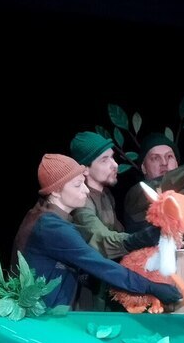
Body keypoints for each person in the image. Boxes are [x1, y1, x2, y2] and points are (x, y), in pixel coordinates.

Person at [11, 153, 182, 309]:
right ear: (55, 191)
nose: (86, 190)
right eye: (78, 185)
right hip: (41, 319)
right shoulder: (51, 227)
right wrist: (150, 287)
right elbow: (99, 265)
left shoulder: (42, 215)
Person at [68, 131, 161, 310]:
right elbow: (99, 238)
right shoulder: (81, 202)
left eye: (112, 157)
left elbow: (118, 232)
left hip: (104, 286)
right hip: (85, 294)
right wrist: (137, 239)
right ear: (85, 169)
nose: (115, 165)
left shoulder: (106, 195)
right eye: (104, 160)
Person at [123, 133, 184, 232]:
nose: (164, 163)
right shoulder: (137, 193)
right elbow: (167, 182)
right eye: (155, 158)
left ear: (177, 164)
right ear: (144, 168)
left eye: (169, 156)